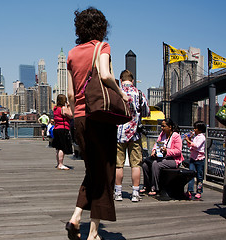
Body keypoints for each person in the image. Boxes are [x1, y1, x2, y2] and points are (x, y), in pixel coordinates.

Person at [65, 7, 130, 240]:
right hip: (100, 117)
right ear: (101, 27)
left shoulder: (72, 54)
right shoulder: (102, 47)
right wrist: (121, 94)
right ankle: (93, 232)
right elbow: (104, 75)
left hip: (80, 118)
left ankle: (75, 217)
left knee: (93, 170)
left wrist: (77, 115)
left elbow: (71, 95)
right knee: (105, 172)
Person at [114, 70, 150, 203]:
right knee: (136, 165)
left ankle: (118, 193)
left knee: (119, 165)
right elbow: (146, 112)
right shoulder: (139, 93)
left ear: (121, 79)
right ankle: (135, 193)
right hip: (135, 134)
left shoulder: (117, 92)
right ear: (133, 80)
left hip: (118, 134)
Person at [141, 118, 183, 196]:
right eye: (161, 126)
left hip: (173, 160)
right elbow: (157, 143)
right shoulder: (162, 134)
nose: (162, 128)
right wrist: (154, 150)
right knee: (145, 164)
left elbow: (178, 151)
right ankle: (147, 185)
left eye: (164, 126)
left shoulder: (176, 136)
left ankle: (155, 187)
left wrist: (167, 151)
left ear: (170, 127)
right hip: (161, 157)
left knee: (156, 164)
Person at [183, 121, 206, 200]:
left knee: (199, 176)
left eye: (195, 128)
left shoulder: (202, 137)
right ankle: (189, 190)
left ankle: (199, 191)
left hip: (200, 159)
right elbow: (191, 146)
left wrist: (189, 141)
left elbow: (196, 146)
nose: (194, 130)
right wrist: (188, 140)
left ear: (200, 129)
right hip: (193, 158)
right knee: (190, 174)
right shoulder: (195, 137)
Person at [52, 94, 73, 170]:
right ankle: (60, 164)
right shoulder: (63, 108)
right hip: (63, 129)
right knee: (62, 147)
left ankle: (58, 163)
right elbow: (71, 115)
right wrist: (69, 106)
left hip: (56, 128)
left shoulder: (55, 108)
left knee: (58, 147)